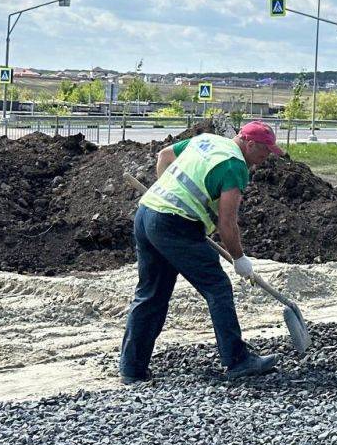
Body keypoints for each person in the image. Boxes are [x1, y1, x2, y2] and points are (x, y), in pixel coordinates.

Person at [118, 122, 284, 384]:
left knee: (151, 294)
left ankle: (132, 369)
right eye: (264, 153)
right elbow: (226, 223)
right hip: (174, 224)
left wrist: (169, 195)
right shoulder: (234, 166)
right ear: (249, 144)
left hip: (147, 213)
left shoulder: (208, 140)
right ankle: (238, 360)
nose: (265, 159)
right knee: (217, 287)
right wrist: (240, 259)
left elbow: (165, 155)